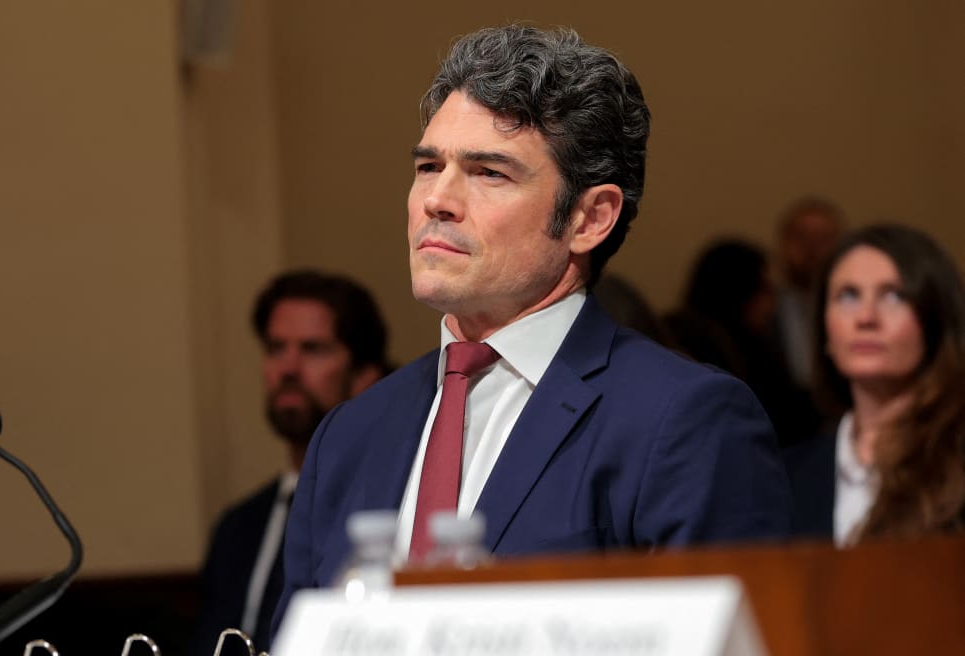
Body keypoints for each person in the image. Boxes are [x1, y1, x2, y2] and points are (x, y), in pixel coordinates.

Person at [272, 24, 791, 635]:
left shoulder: (683, 420)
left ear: (589, 219)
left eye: (489, 173)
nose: (438, 199)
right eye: (428, 165)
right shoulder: (349, 435)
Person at [189, 271, 389, 655]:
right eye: (275, 348)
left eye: (313, 349)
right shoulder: (237, 527)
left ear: (364, 376)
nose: (289, 368)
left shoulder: (383, 511)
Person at [784, 225, 965, 545]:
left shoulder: (957, 454)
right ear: (824, 329)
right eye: (848, 296)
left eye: (894, 295)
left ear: (935, 318)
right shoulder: (787, 473)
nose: (866, 317)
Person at [666, 238, 821, 445]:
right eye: (765, 290)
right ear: (739, 290)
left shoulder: (750, 343)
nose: (771, 306)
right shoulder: (710, 345)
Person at [773, 197, 844, 390]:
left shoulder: (854, 310)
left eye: (823, 239)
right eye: (801, 237)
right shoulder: (763, 310)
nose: (811, 248)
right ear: (783, 243)